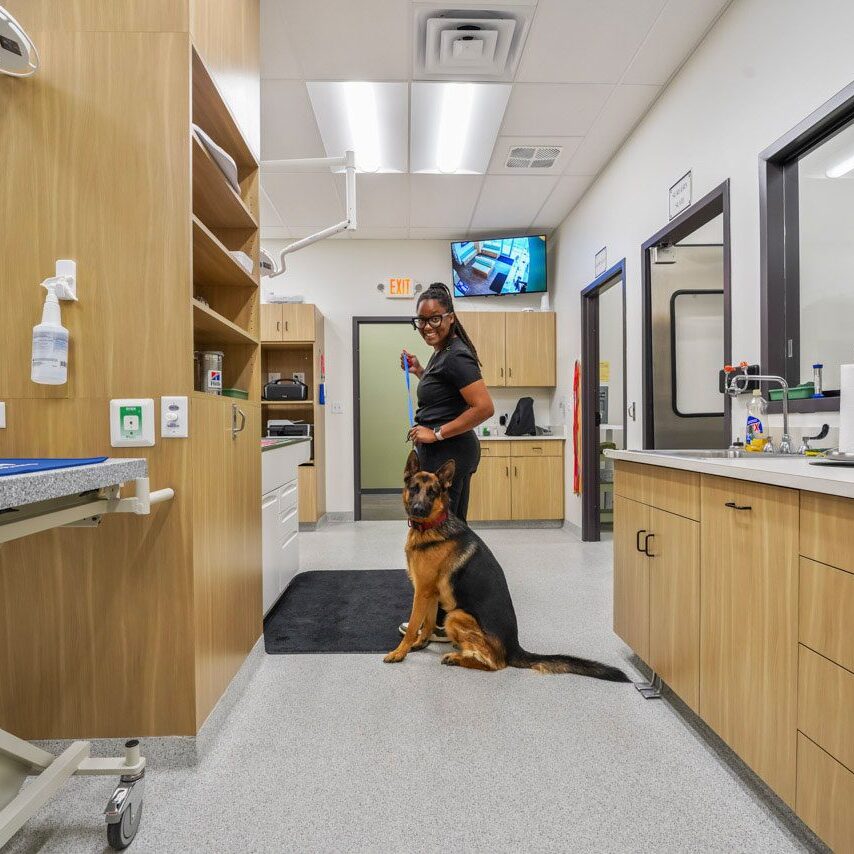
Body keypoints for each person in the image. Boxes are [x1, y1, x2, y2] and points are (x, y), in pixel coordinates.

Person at [398, 282, 495, 642]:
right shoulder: (442, 353)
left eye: (434, 319)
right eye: (421, 320)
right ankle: (437, 611)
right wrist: (420, 371)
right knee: (440, 534)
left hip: (450, 453)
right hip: (442, 451)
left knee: (446, 538)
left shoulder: (456, 355)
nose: (427, 326)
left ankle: (440, 620)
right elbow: (446, 392)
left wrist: (436, 434)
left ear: (450, 317)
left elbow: (484, 408)